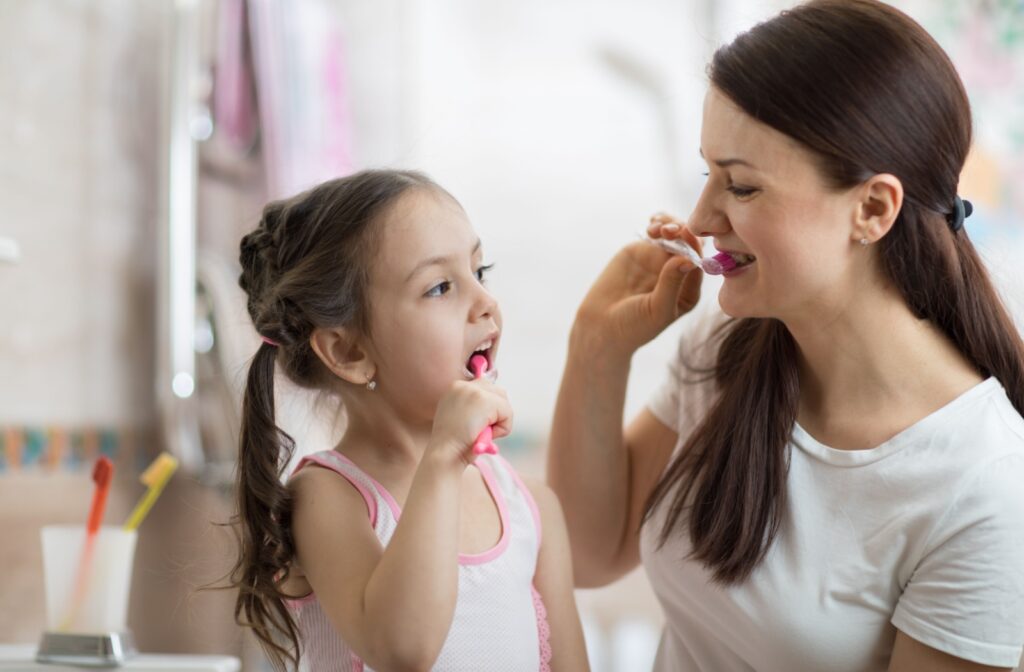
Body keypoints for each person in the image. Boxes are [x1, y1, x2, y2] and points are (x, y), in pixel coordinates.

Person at [548, 1, 1024, 670]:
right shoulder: (726, 348)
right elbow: (590, 551)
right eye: (708, 173)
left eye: (740, 186)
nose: (700, 217)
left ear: (872, 208)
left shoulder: (985, 491)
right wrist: (599, 348)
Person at [230, 169, 588, 671]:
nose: (485, 303)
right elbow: (403, 649)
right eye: (441, 287)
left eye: (479, 273)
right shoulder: (328, 500)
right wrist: (442, 458)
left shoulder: (531, 510)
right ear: (349, 350)